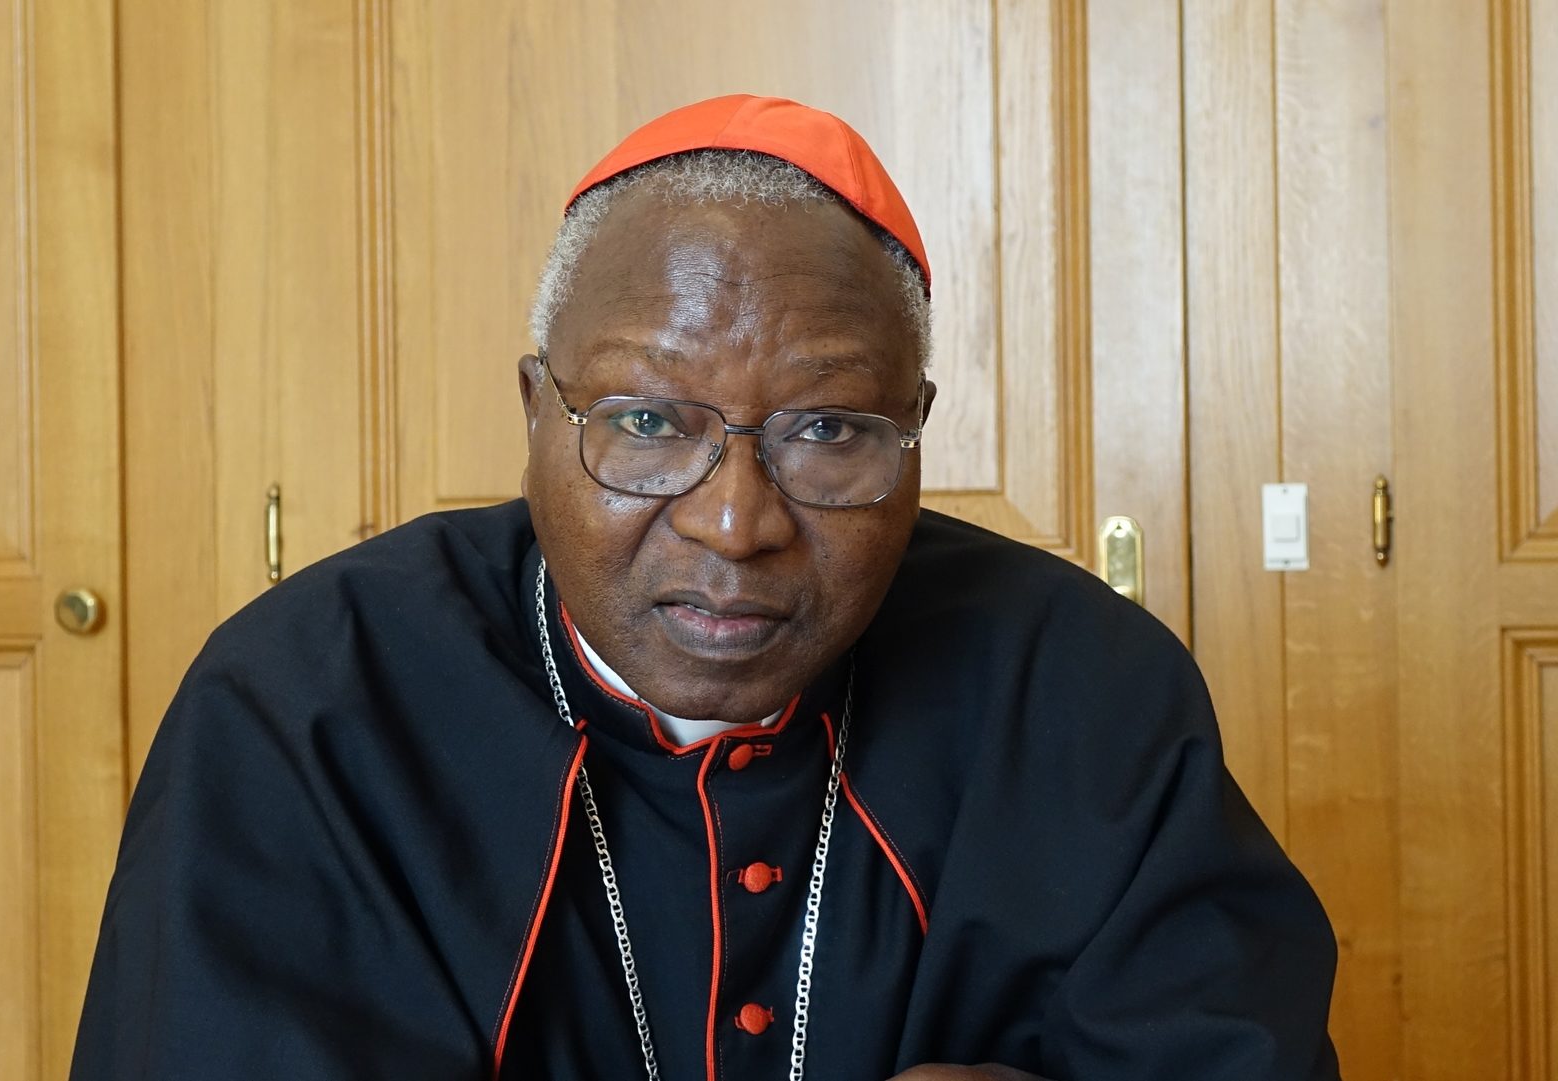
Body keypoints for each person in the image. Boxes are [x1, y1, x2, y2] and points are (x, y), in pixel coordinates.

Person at [69, 94, 1340, 1081]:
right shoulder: (305, 705)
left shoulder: (1082, 689)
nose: (736, 523)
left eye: (830, 431)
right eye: (644, 421)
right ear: (534, 414)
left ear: (916, 432)